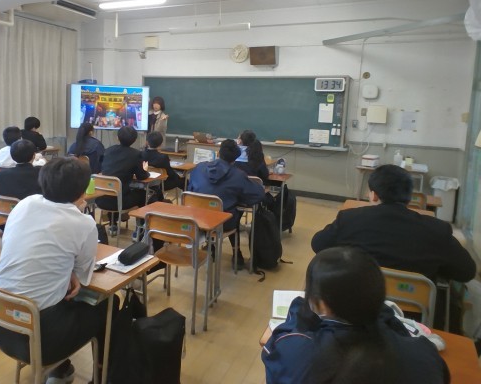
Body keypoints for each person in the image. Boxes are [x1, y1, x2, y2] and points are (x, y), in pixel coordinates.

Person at [0, 157, 114, 383]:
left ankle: (60, 370)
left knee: (56, 295)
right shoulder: (83, 223)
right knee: (107, 304)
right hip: (40, 339)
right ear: (82, 192)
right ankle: (102, 374)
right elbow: (84, 275)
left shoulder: (24, 204)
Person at [261, 247, 450, 384]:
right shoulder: (423, 351)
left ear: (322, 305)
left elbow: (274, 360)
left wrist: (300, 313)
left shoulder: (299, 352)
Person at [311, 164, 476, 283]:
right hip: (416, 313)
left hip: (357, 305)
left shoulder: (350, 219)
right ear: (409, 197)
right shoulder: (437, 229)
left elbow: (318, 244)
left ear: (374, 195)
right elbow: (467, 272)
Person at [188, 139, 264, 270]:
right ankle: (236, 253)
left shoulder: (199, 168)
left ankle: (210, 247)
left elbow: (190, 189)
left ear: (218, 153)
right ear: (235, 159)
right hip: (223, 223)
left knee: (222, 210)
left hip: (197, 219)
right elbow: (258, 195)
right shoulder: (238, 175)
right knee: (232, 213)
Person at [95, 126, 149, 233]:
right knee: (143, 194)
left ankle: (113, 224)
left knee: (113, 189)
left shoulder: (107, 151)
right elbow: (141, 176)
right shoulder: (136, 154)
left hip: (101, 199)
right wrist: (145, 170)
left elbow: (101, 168)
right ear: (134, 140)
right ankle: (140, 231)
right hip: (121, 202)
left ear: (117, 137)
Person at [142, 131, 183, 197]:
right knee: (183, 181)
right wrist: (179, 176)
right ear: (160, 144)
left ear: (147, 142)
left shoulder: (141, 154)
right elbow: (170, 173)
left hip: (145, 183)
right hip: (160, 184)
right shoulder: (163, 157)